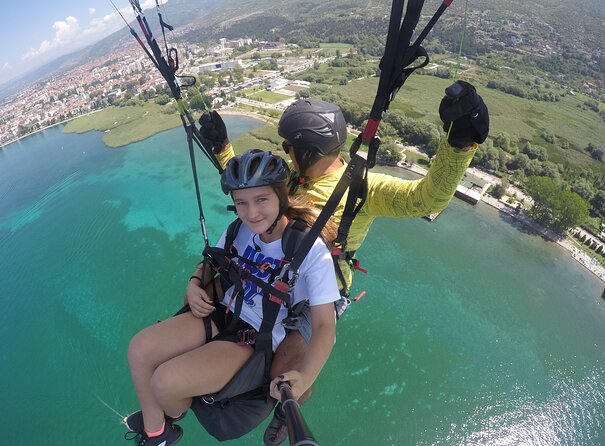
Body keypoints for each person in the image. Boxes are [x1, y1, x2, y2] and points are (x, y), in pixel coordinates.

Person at [198, 80, 489, 445]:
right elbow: (254, 197)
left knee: (285, 371)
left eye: (290, 147)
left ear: (306, 150)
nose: (286, 152)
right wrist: (224, 151)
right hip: (276, 275)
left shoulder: (362, 188)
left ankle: (290, 410)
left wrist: (460, 144)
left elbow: (425, 199)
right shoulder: (291, 178)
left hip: (319, 292)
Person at [125, 149, 341, 445]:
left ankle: (170, 414)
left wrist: (305, 377)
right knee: (139, 349)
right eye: (241, 203)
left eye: (261, 200)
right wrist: (193, 284)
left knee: (164, 383)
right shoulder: (238, 230)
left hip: (254, 336)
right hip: (223, 312)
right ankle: (157, 432)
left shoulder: (309, 250)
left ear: (281, 197)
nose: (251, 212)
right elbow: (212, 263)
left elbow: (325, 327)